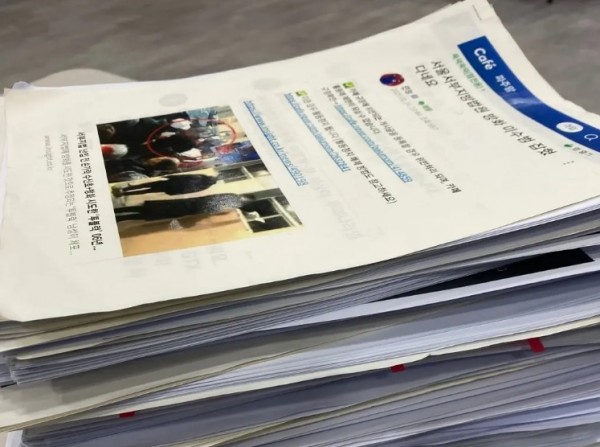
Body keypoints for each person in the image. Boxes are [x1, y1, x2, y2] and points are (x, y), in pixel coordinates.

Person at [114, 193, 254, 222]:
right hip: (187, 209)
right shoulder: (232, 203)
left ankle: (119, 213)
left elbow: (209, 200)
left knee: (146, 210)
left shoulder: (231, 197)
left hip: (185, 205)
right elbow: (211, 208)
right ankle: (120, 217)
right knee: (147, 213)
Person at [113, 173, 218, 197]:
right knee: (147, 190)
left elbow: (184, 176)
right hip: (171, 188)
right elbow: (189, 191)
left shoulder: (201, 177)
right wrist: (174, 193)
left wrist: (170, 176)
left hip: (170, 183)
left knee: (146, 185)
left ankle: (125, 189)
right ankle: (124, 194)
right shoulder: (204, 186)